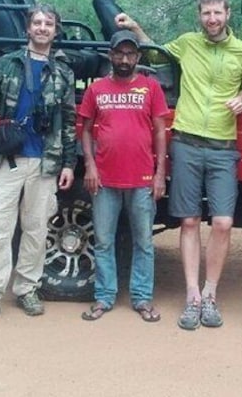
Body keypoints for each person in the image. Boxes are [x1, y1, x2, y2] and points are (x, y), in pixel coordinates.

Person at [115, 0, 242, 330]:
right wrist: (135, 27)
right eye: (206, 13)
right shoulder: (187, 43)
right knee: (190, 222)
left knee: (222, 222)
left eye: (217, 13)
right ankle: (193, 296)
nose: (212, 19)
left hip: (222, 147)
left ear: (227, 13)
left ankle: (211, 294)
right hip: (187, 144)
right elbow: (156, 53)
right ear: (199, 15)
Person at [0, 4, 76, 327]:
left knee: (36, 230)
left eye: (49, 23)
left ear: (56, 30)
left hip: (44, 161)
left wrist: (69, 162)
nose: (42, 28)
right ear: (28, 29)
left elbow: (68, 121)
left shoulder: (63, 71)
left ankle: (27, 288)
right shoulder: (8, 64)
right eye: (37, 23)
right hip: (6, 159)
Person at [77, 30, 169, 322]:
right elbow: (86, 130)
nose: (125, 58)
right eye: (120, 53)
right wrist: (90, 166)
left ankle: (142, 299)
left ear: (138, 57)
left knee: (144, 242)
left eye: (130, 54)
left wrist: (160, 173)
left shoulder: (150, 87)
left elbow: (159, 130)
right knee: (103, 241)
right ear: (111, 56)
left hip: (142, 180)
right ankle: (104, 297)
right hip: (104, 180)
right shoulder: (97, 90)